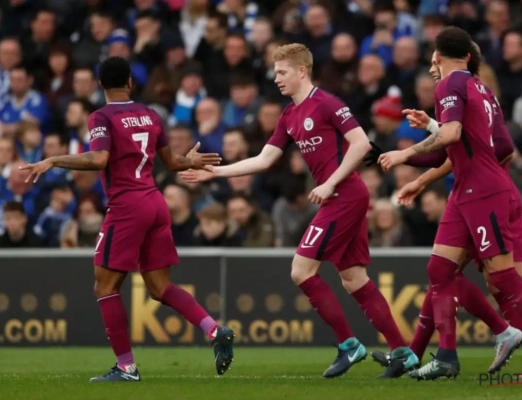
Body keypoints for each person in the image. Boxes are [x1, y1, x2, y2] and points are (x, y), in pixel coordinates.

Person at [179, 43, 419, 379]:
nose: (277, 78)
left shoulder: (327, 103)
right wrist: (215, 172)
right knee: (354, 279)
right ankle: (403, 353)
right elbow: (264, 159)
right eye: (275, 72)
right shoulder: (290, 115)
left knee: (300, 270)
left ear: (302, 71)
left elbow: (362, 143)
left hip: (345, 195)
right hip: (340, 195)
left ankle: (349, 345)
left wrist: (330, 183)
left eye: (282, 72)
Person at [20, 56, 235, 383]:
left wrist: (54, 160)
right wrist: (189, 161)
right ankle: (215, 330)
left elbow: (99, 158)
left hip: (127, 206)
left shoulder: (101, 117)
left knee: (105, 286)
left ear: (100, 84)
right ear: (130, 83)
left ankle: (126, 368)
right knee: (159, 287)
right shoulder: (150, 114)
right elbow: (171, 162)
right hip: (155, 203)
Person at [376, 27, 522, 381]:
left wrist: (404, 154)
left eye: (432, 60)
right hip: (467, 191)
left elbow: (454, 136)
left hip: (483, 191)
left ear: (438, 57)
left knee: (505, 277)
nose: (431, 67)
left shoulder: (448, 85)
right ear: (467, 56)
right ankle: (455, 352)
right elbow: (476, 143)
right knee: (439, 270)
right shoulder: (481, 89)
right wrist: (431, 139)